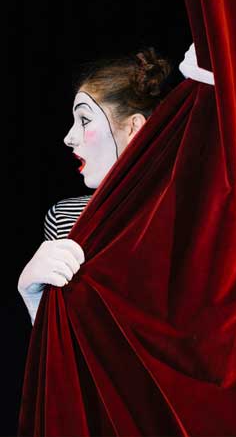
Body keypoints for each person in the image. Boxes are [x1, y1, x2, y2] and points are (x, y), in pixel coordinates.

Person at [18, 48, 171, 323]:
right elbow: (62, 337)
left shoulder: (187, 214)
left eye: (85, 120)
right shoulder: (66, 219)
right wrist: (34, 300)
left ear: (134, 127)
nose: (69, 138)